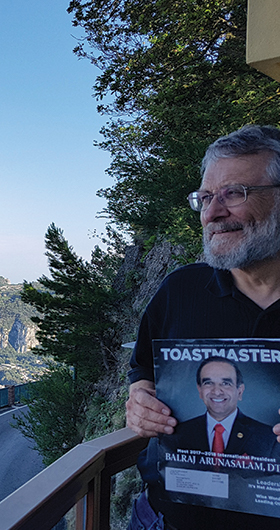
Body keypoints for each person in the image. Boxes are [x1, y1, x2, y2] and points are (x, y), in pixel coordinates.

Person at [126, 125, 280, 529]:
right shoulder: (181, 289)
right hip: (162, 520)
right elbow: (142, 368)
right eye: (206, 197)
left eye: (233, 193)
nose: (211, 213)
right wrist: (140, 400)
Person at [164, 357, 280, 462]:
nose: (217, 391)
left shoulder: (269, 438)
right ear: (200, 390)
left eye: (226, 383)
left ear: (239, 391)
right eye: (208, 383)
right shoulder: (179, 434)